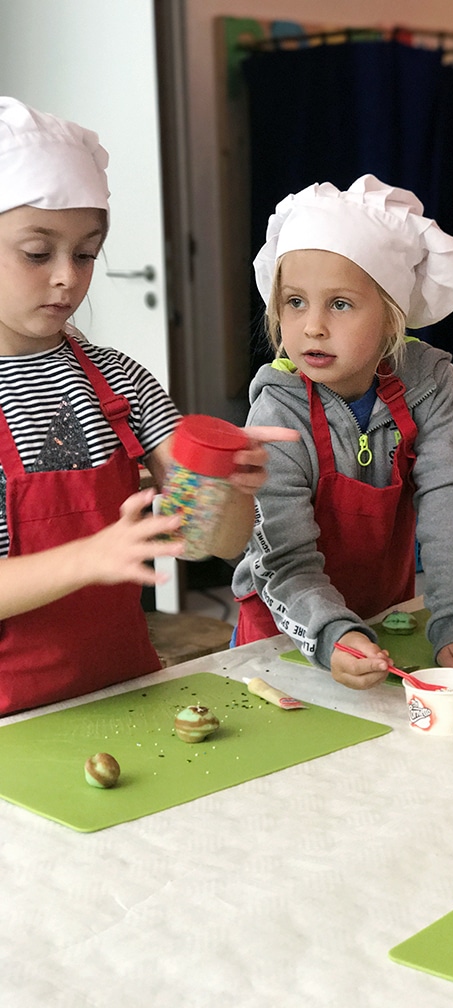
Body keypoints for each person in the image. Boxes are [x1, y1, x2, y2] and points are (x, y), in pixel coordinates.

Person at [0, 96, 296, 716]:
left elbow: (209, 542)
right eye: (37, 252)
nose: (67, 278)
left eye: (85, 253)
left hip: (128, 687)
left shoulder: (118, 380)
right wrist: (91, 555)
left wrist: (229, 484)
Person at [231, 174, 453, 689]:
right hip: (288, 637)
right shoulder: (276, 412)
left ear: (391, 319)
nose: (312, 325)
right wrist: (333, 634)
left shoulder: (427, 381)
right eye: (295, 302)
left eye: (339, 304)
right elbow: (284, 556)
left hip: (389, 618)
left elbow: (451, 498)